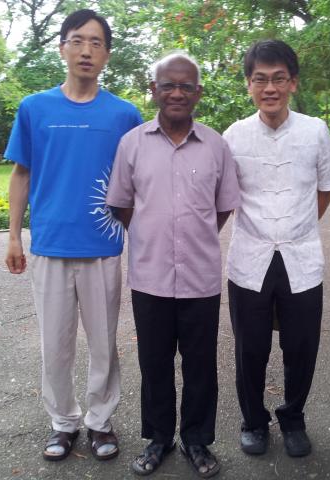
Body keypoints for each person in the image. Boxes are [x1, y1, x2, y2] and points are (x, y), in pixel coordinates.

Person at [4, 9, 142, 462]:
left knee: (104, 344)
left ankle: (100, 422)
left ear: (107, 54)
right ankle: (63, 422)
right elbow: (21, 174)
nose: (86, 50)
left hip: (103, 247)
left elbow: (138, 183)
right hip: (50, 245)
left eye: (97, 42)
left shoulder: (124, 114)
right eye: (78, 40)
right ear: (62, 46)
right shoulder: (35, 108)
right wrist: (14, 237)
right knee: (55, 344)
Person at [106, 52, 240, 477]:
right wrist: (152, 233)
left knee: (201, 365)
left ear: (198, 92)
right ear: (154, 90)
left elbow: (222, 208)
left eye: (186, 85)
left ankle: (197, 441)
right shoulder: (132, 144)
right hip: (150, 277)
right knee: (155, 363)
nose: (177, 92)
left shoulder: (217, 145)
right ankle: (159, 438)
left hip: (200, 279)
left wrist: (191, 238)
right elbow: (122, 204)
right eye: (168, 85)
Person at [223, 39, 330, 458]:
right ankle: (253, 422)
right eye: (260, 79)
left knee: (302, 347)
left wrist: (297, 225)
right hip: (249, 258)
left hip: (301, 258)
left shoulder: (314, 132)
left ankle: (293, 417)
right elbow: (225, 196)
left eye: (278, 79)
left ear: (292, 83)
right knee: (250, 347)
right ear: (249, 85)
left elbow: (324, 191)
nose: (269, 87)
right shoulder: (233, 135)